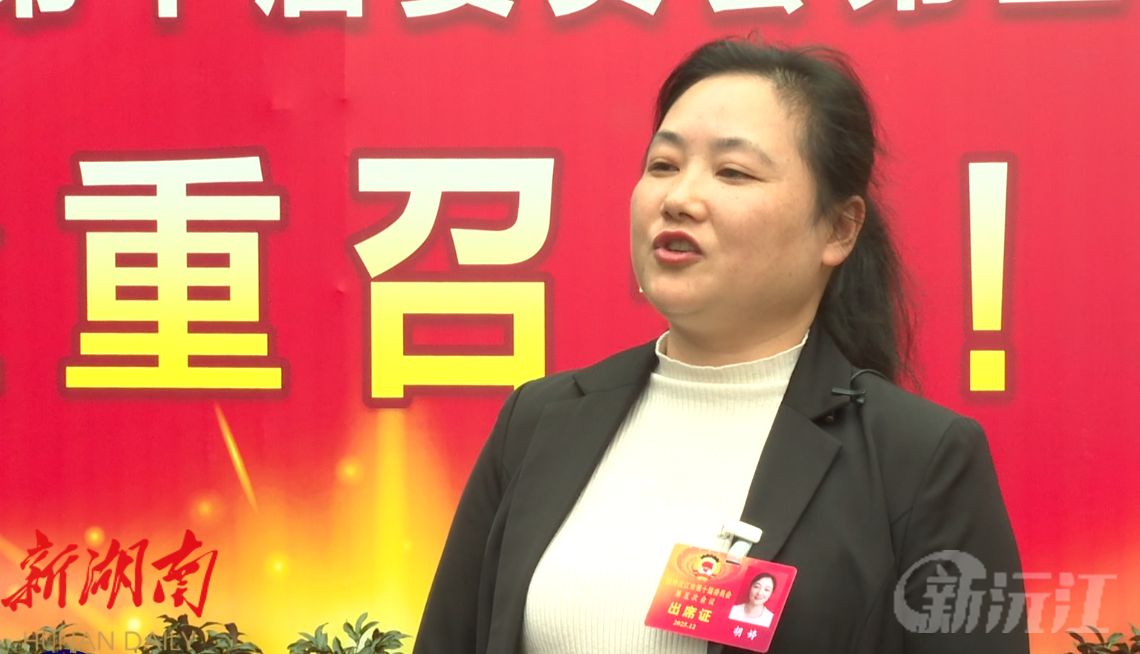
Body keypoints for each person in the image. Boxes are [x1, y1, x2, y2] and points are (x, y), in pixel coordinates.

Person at [412, 37, 1030, 654]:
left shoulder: (919, 459)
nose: (679, 198)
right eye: (663, 165)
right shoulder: (540, 420)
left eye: (733, 172)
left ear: (839, 229)